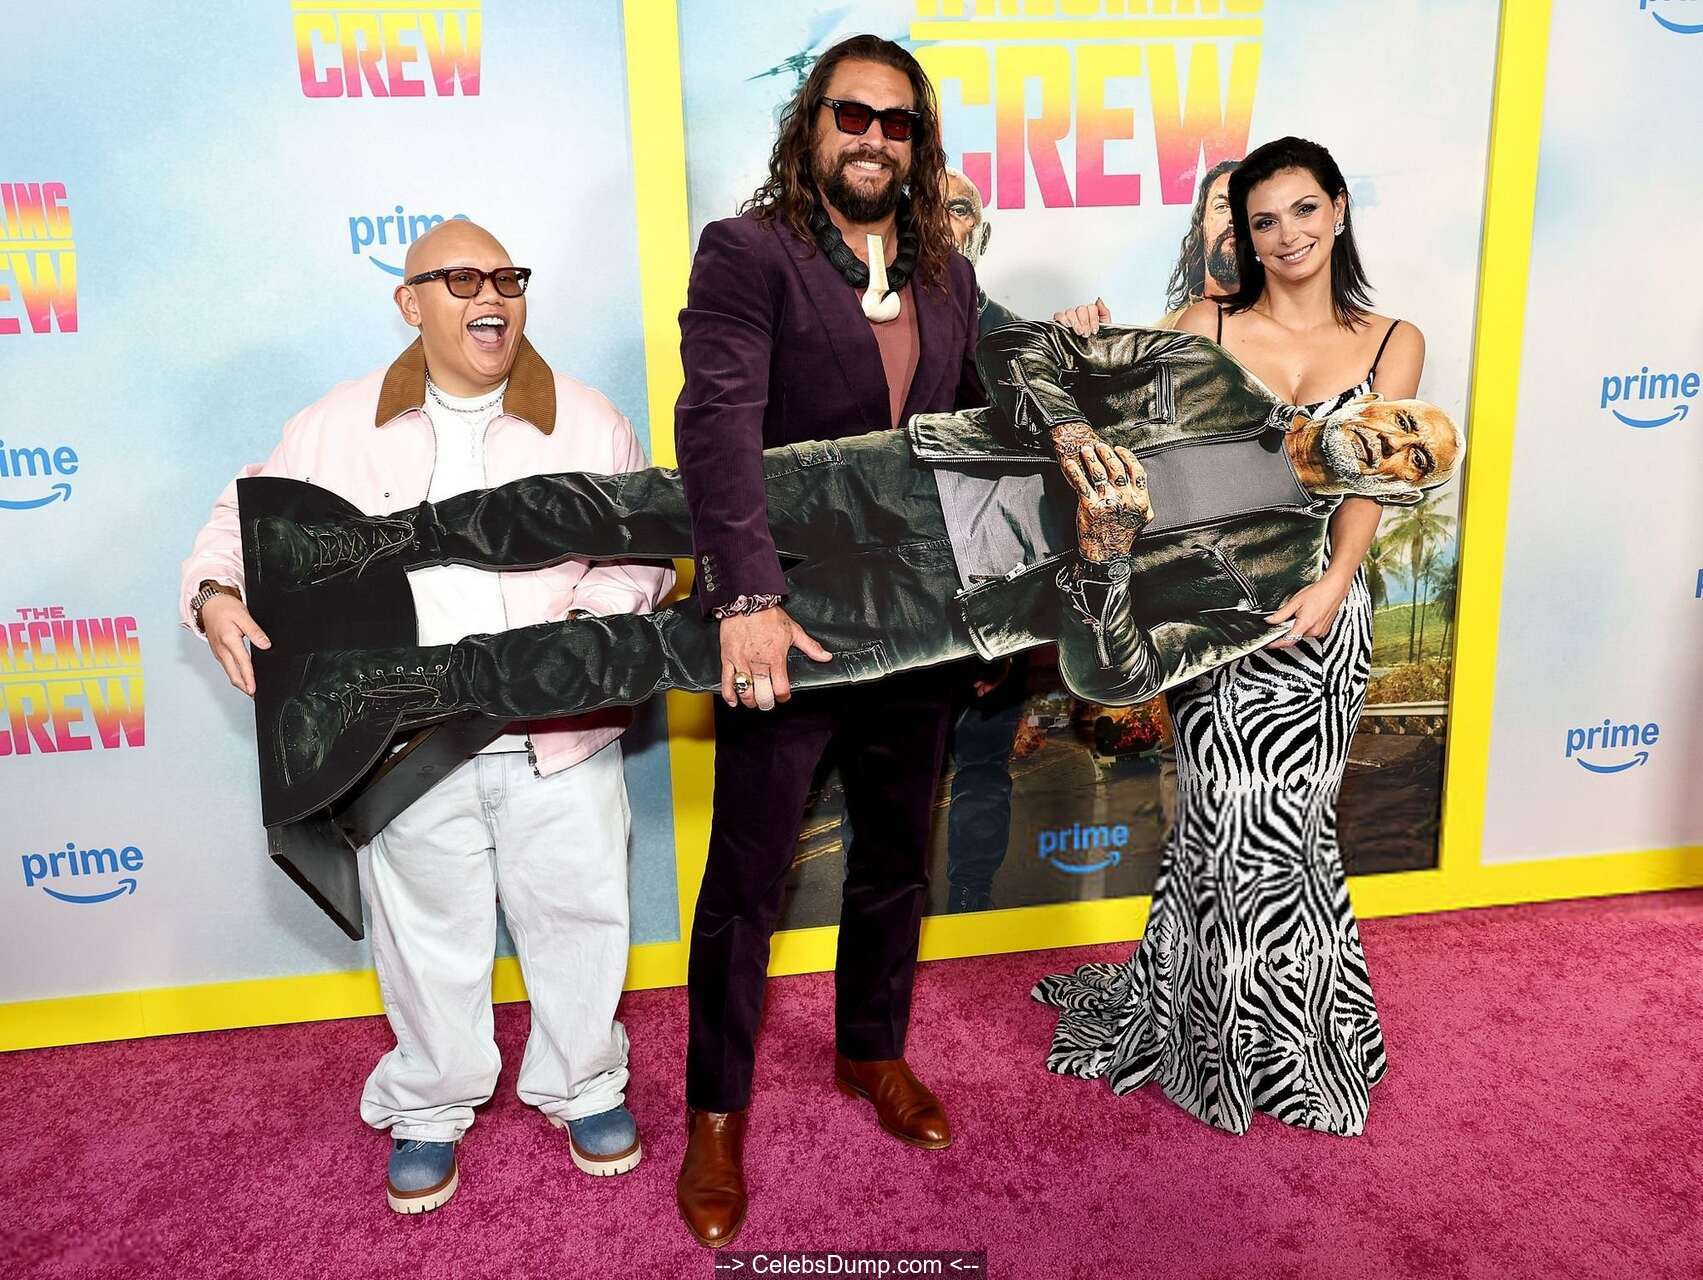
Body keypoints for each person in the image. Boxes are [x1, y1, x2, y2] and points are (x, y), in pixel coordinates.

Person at [179, 220, 673, 1213]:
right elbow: (240, 524)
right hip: (405, 738)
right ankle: (431, 1101)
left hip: (558, 732)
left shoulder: (588, 418)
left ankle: (584, 1083)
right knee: (425, 934)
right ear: (409, 303)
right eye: (460, 279)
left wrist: (588, 630)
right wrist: (214, 595)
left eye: (506, 278)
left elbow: (644, 551)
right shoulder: (335, 423)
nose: (490, 295)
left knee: (577, 917)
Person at [1033, 136, 1429, 1138]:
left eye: (1303, 210)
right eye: (1263, 221)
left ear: (1337, 209)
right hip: (1213, 623)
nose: (1286, 235)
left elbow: (1373, 483)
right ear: (1242, 237)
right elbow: (1126, 438)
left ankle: (1296, 1042)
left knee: (1292, 832)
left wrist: (1334, 583)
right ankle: (1204, 1036)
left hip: (1322, 626)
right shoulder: (1201, 325)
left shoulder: (1392, 342)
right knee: (1216, 821)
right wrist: (1082, 345)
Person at [670, 35, 984, 1247]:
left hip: (915, 628)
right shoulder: (747, 252)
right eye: (851, 115)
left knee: (894, 857)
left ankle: (870, 1049)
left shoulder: (946, 274)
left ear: (918, 146)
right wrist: (744, 596)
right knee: (745, 878)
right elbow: (717, 425)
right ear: (810, 125)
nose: (872, 138)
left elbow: (971, 431)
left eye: (896, 123)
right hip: (785, 625)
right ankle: (714, 1110)